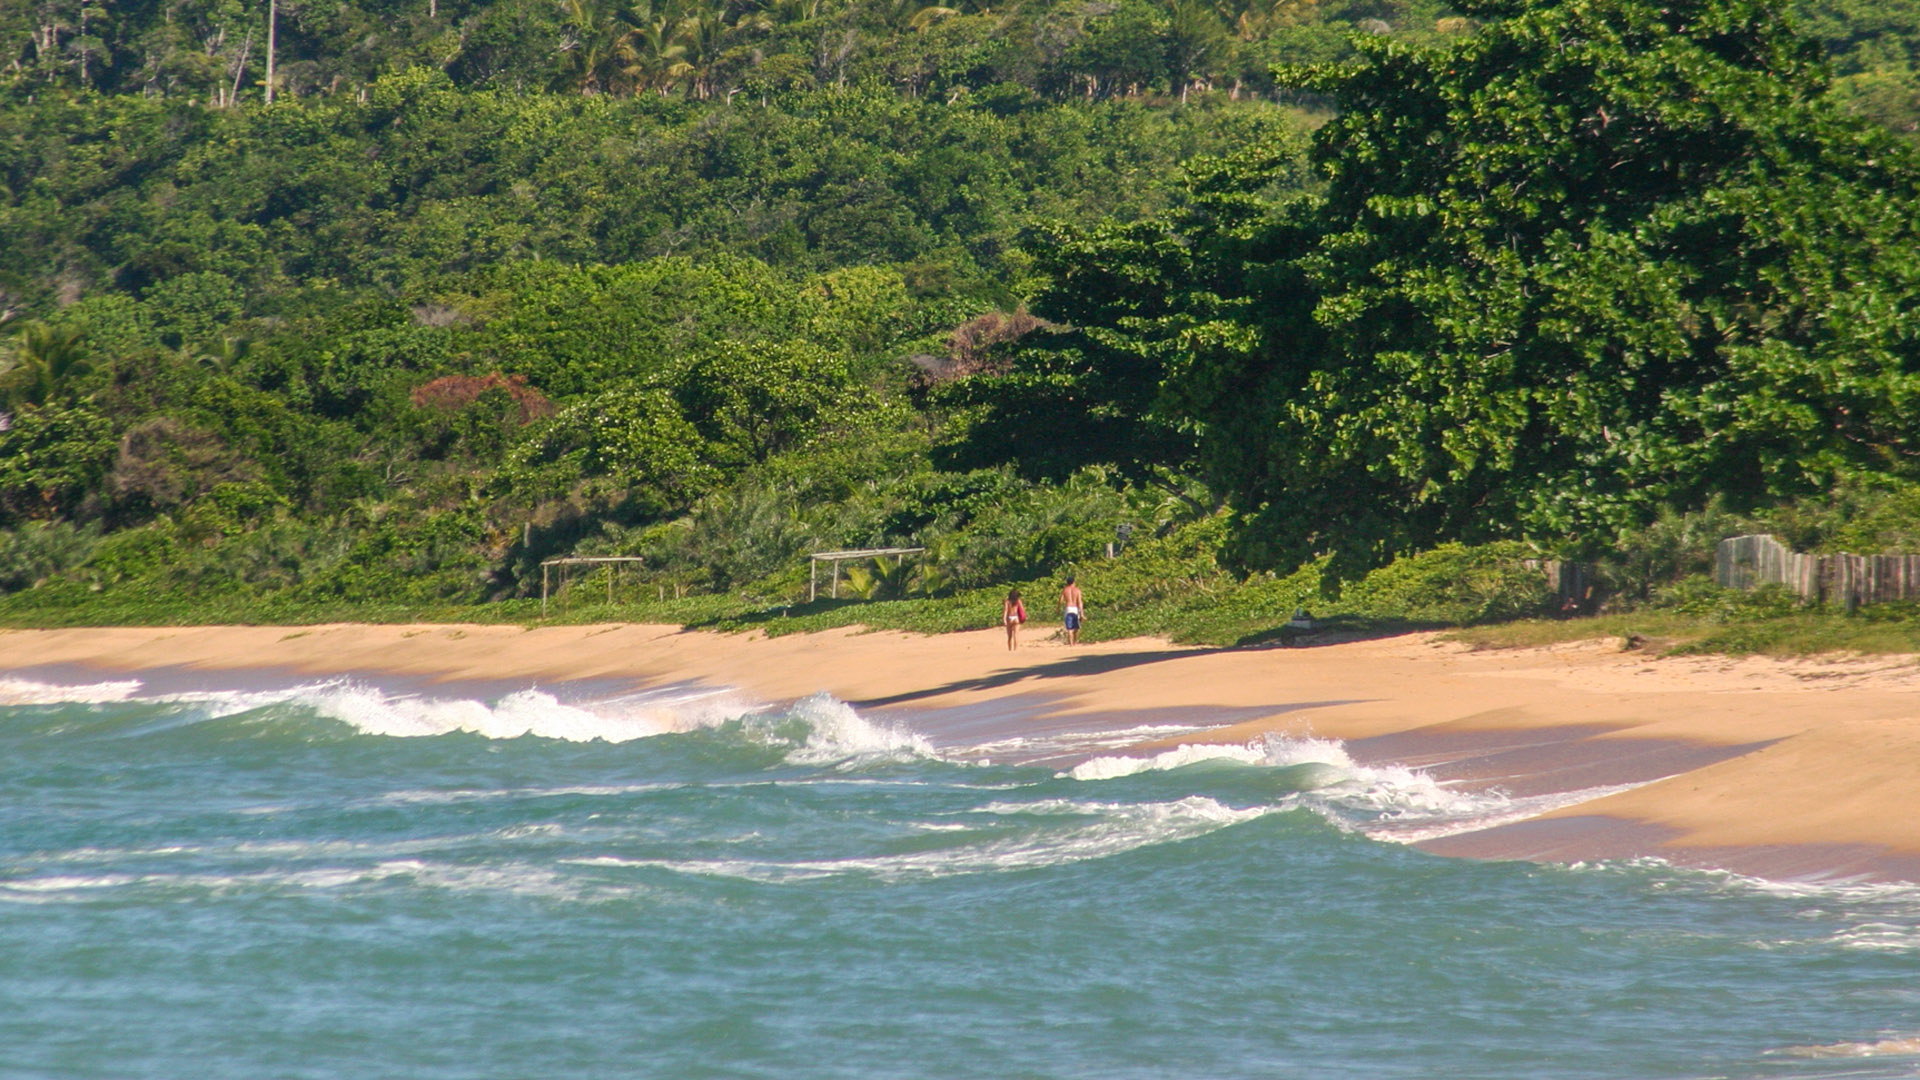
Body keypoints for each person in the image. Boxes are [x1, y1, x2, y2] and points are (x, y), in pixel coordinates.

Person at [1060, 575, 1084, 645]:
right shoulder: (1077, 590)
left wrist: (1058, 608)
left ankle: (1071, 644)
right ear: (1074, 582)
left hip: (1068, 608)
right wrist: (1082, 613)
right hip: (1075, 609)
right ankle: (1075, 642)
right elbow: (1080, 602)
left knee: (1069, 628)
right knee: (1076, 627)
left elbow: (1061, 601)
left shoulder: (1065, 590)